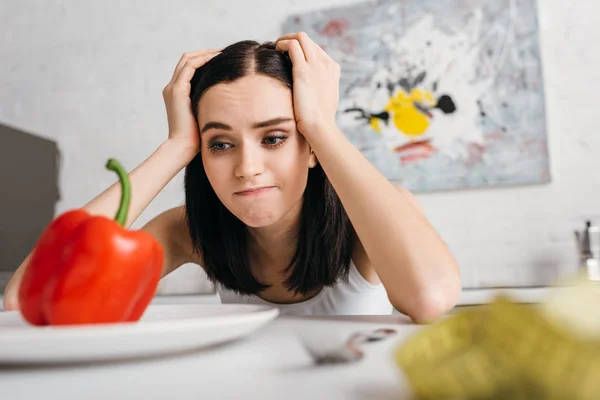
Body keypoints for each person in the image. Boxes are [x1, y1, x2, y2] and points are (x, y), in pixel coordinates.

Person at [3, 32, 461, 322]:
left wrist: (323, 126)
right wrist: (175, 148)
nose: (247, 168)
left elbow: (431, 299)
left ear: (311, 148)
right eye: (220, 144)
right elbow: (24, 299)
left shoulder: (372, 216)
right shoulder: (190, 231)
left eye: (275, 137)